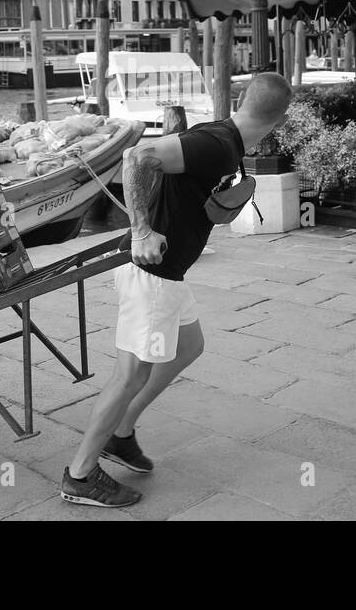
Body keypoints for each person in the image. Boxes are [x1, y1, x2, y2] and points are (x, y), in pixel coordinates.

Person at [60, 71, 294, 507]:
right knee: (130, 375)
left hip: (170, 274)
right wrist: (141, 230)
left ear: (242, 99)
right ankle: (80, 474)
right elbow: (136, 156)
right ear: (279, 123)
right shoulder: (218, 144)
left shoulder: (225, 141)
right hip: (153, 271)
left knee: (190, 345)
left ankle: (121, 432)